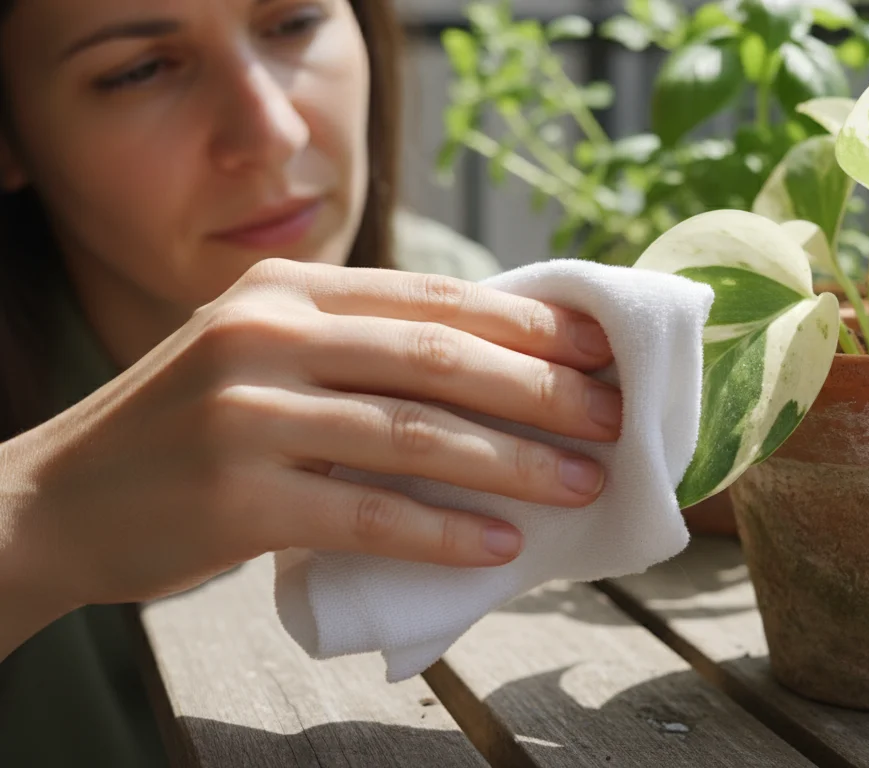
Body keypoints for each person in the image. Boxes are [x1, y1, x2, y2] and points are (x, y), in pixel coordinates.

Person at [0, 1, 623, 764]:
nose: (272, 132)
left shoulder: (488, 307)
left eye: (293, 22)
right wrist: (43, 511)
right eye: (139, 69)